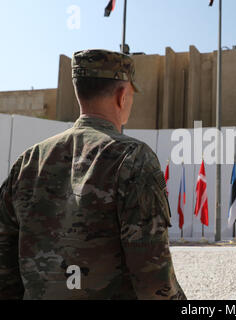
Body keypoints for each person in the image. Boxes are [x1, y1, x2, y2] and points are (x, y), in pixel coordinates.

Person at [0, 49, 186, 300]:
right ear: (122, 96)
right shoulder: (133, 158)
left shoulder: (29, 161)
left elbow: (4, 264)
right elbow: (153, 279)